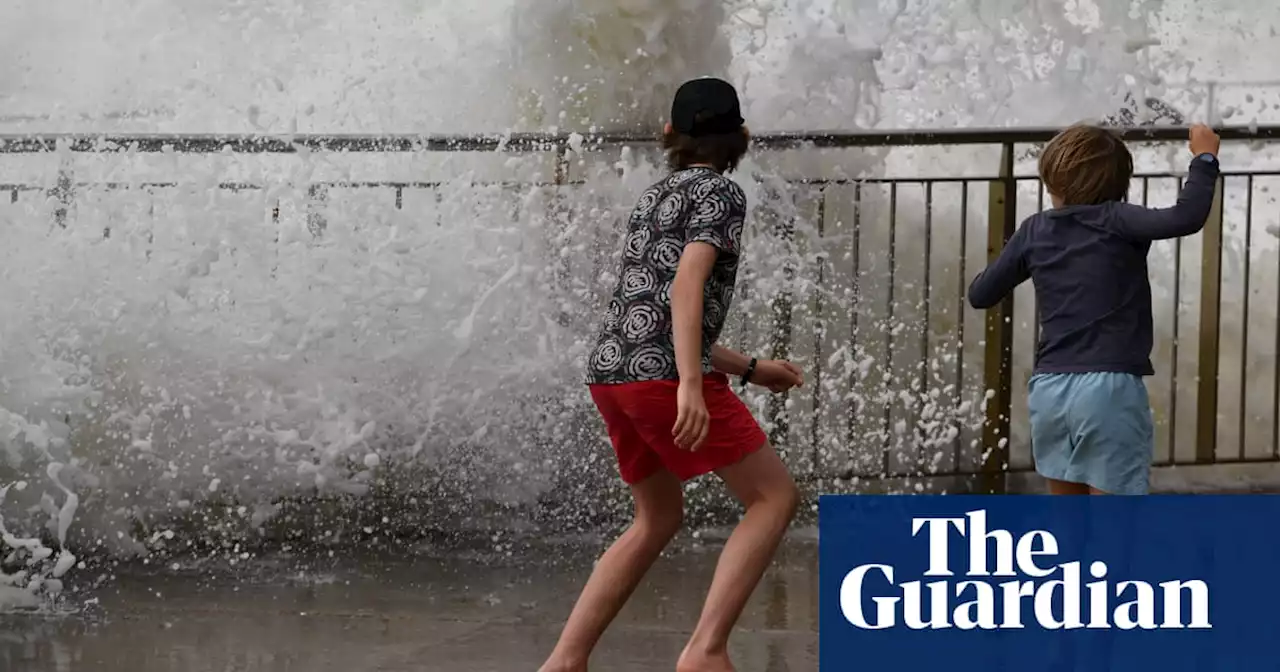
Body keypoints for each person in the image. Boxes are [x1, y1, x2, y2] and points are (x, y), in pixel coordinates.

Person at [539, 77, 804, 672]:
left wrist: (751, 369)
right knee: (773, 498)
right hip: (662, 375)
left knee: (656, 517)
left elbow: (653, 303)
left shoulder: (655, 196)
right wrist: (690, 381)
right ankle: (706, 651)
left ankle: (565, 660)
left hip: (613, 371)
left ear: (669, 135)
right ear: (742, 137)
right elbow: (686, 287)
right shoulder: (723, 194)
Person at [968, 123, 1221, 495]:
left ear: (1050, 180)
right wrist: (1204, 158)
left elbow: (981, 294)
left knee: (1069, 527)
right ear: (1119, 182)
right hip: (1108, 391)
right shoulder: (1117, 219)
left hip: (1051, 389)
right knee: (1112, 529)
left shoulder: (1034, 229)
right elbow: (1186, 217)